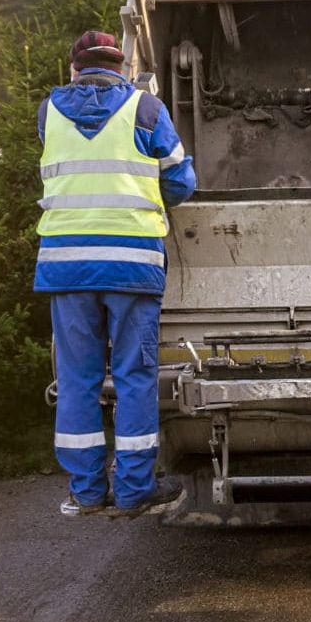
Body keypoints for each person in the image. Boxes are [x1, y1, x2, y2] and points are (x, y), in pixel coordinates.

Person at [37, 31, 196, 517]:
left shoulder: (49, 112)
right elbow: (181, 181)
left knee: (78, 377)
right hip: (131, 265)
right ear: (123, 65)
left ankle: (86, 493)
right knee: (133, 376)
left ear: (74, 68)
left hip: (67, 267)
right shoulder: (146, 111)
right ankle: (132, 491)